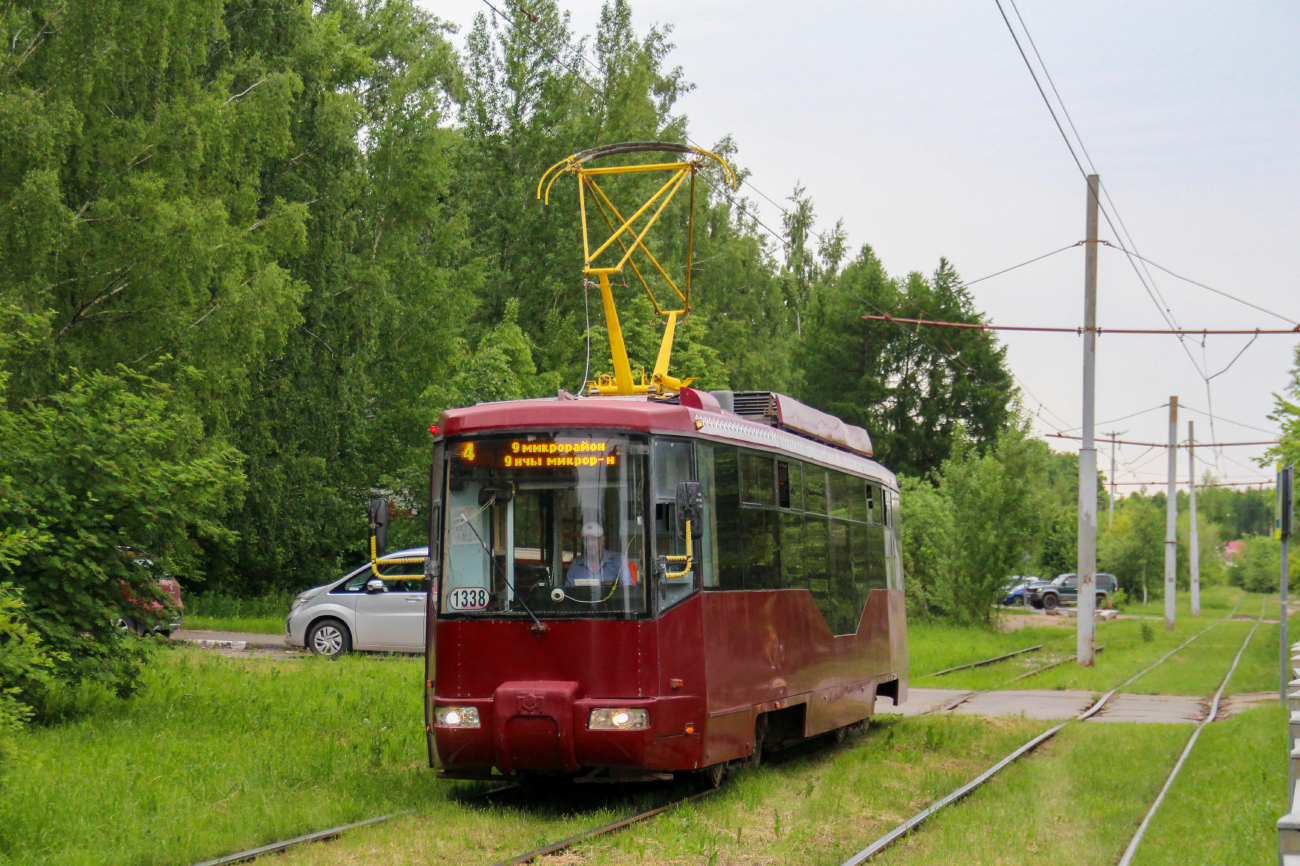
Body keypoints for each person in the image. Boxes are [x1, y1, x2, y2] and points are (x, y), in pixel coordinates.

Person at [565, 522, 633, 586]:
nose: (590, 543)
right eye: (586, 540)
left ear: (603, 539)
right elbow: (568, 594)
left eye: (594, 539)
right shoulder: (576, 565)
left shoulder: (618, 561)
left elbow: (626, 589)